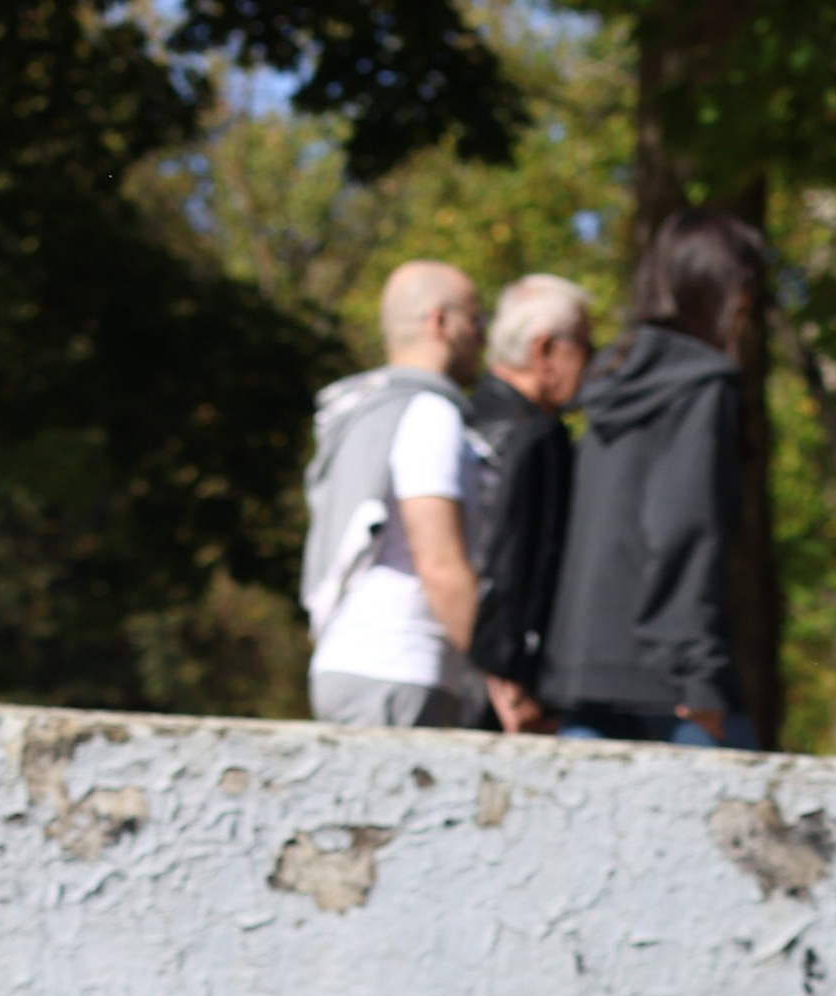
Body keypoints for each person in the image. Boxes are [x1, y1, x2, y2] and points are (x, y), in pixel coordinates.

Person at [539, 208, 767, 749]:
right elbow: (684, 528)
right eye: (744, 290)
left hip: (583, 675)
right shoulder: (699, 386)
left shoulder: (609, 378)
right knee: (748, 826)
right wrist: (700, 675)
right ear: (719, 288)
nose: (747, 308)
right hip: (673, 687)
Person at [300, 261, 487, 730]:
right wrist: (498, 675)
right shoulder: (428, 414)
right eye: (475, 318)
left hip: (350, 661)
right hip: (400, 668)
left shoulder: (361, 410)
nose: (482, 336)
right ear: (439, 321)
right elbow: (439, 562)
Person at [468, 274, 592, 735]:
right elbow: (512, 562)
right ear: (544, 350)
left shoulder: (461, 416)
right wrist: (512, 677)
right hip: (503, 691)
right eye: (584, 343)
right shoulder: (537, 437)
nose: (592, 360)